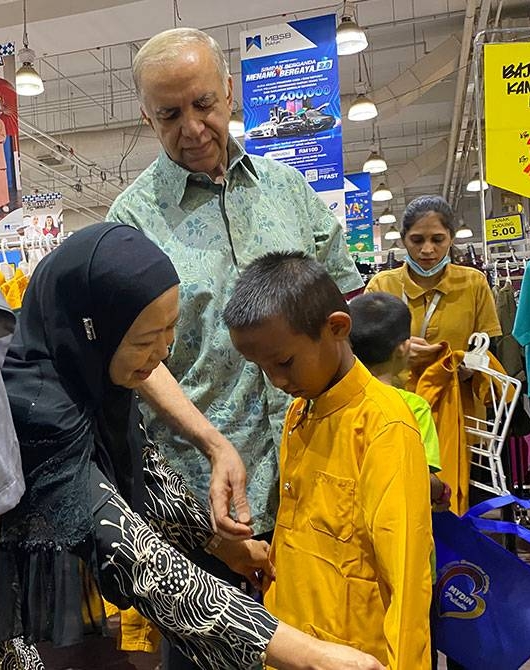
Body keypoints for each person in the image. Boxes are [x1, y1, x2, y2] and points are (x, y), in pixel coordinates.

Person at [0, 223, 382, 670]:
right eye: (144, 341)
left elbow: (147, 476)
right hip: (16, 632)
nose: (165, 352)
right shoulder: (36, 417)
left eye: (170, 329)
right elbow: (140, 560)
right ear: (91, 333)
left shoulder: (94, 384)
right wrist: (308, 656)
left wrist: (222, 546)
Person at [107, 25, 363, 557]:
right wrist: (214, 443)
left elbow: (343, 309)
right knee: (217, 636)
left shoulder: (287, 190)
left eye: (203, 104)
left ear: (228, 91)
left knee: (327, 631)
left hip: (319, 475)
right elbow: (138, 362)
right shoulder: (130, 222)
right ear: (147, 119)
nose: (194, 128)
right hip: (207, 499)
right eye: (170, 116)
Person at [225, 251, 433, 670]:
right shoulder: (299, 412)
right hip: (293, 645)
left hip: (356, 655)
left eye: (283, 362)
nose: (277, 380)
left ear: (337, 328)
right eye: (261, 368)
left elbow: (409, 581)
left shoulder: (385, 426)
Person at [364, 195, 501, 375]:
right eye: (417, 240)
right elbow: (363, 353)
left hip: (457, 397)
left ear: (451, 238)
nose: (427, 250)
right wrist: (397, 355)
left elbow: (489, 348)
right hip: (399, 400)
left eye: (437, 240)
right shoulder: (381, 286)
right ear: (403, 239)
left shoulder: (474, 283)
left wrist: (471, 370)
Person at [348, 292, 451, 510]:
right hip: (397, 520)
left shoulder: (334, 401)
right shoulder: (413, 407)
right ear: (404, 349)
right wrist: (442, 493)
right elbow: (421, 476)